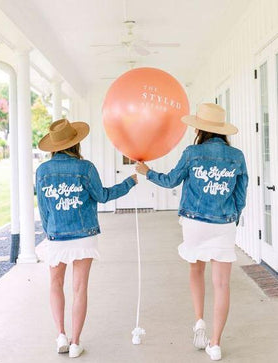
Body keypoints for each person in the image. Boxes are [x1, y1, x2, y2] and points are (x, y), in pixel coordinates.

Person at [136, 103, 248, 361]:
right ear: (222, 130)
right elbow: (240, 196)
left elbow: (172, 180)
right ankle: (216, 344)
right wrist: (232, 218)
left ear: (200, 128)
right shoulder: (237, 157)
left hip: (194, 223)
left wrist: (147, 172)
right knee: (222, 284)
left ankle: (199, 320)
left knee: (196, 269)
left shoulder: (192, 153)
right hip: (224, 223)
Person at [36, 119, 137, 358]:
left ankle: (61, 334)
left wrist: (51, 232)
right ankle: (75, 343)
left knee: (55, 284)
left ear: (54, 146)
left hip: (56, 235)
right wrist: (129, 183)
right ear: (76, 143)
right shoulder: (85, 168)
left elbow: (43, 208)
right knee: (80, 288)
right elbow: (102, 196)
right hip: (84, 235)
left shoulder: (42, 171)